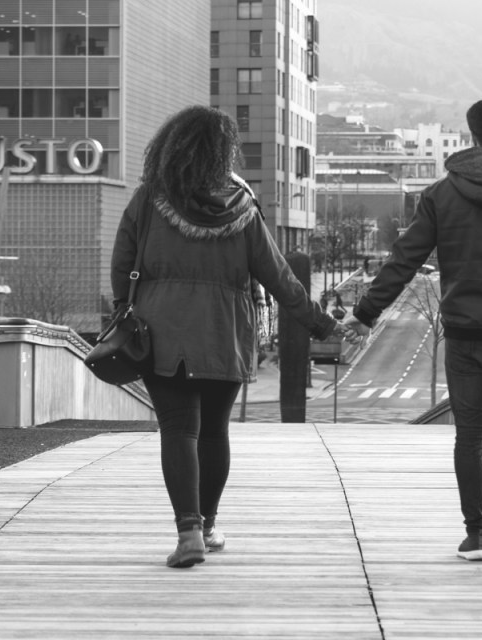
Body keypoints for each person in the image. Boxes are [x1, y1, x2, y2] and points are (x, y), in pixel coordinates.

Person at [111, 105, 353, 568]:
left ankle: (188, 533)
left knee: (179, 430)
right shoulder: (243, 208)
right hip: (226, 333)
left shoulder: (149, 199)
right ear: (224, 151)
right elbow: (281, 279)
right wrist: (322, 324)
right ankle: (207, 523)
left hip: (161, 333)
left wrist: (128, 311)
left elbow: (122, 263)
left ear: (171, 144)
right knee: (214, 432)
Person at [341, 98, 482, 571]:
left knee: (468, 437)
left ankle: (474, 533)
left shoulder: (442, 195)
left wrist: (366, 314)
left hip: (465, 333)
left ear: (471, 136)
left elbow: (404, 260)